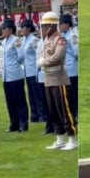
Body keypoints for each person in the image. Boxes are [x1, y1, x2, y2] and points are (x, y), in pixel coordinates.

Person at [37, 12, 78, 151]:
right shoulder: (46, 40)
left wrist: (43, 62)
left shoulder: (60, 40)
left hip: (59, 79)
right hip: (48, 79)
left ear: (51, 26)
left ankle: (72, 138)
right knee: (53, 110)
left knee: (65, 110)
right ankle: (60, 137)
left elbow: (58, 57)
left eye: (45, 26)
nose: (42, 29)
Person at [0, 18, 29, 132]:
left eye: (4, 28)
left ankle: (23, 123)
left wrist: (14, 64)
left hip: (15, 75)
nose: (2, 30)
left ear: (10, 29)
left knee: (19, 101)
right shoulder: (4, 42)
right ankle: (14, 123)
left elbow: (21, 56)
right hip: (6, 76)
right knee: (10, 101)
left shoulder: (15, 40)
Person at [20, 19, 44, 123]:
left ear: (29, 28)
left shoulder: (33, 40)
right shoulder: (23, 40)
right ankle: (34, 115)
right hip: (27, 71)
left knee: (37, 95)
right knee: (31, 94)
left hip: (34, 70)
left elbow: (38, 54)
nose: (22, 30)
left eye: (23, 27)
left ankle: (41, 114)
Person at [59, 14, 79, 122]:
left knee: (74, 95)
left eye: (61, 24)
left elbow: (76, 53)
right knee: (68, 96)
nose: (60, 26)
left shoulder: (72, 36)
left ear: (67, 24)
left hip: (72, 70)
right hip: (65, 71)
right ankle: (71, 116)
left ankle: (77, 115)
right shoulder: (62, 37)